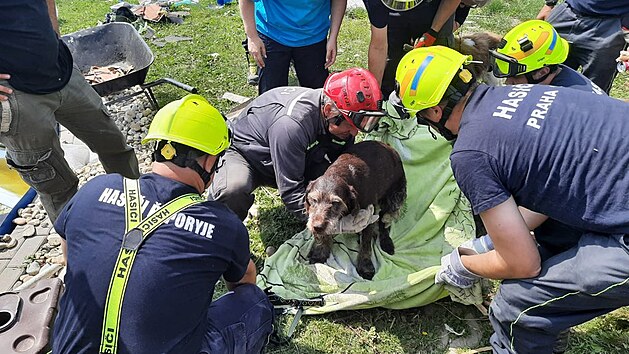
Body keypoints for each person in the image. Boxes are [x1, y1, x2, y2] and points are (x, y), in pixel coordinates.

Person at [394, 46, 629, 353]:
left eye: (421, 116)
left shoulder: (471, 153)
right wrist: (490, 244)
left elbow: (523, 264)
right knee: (554, 240)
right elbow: (552, 182)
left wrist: (466, 265)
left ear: (435, 112)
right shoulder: (532, 92)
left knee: (517, 305)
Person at [52, 94, 274, 353]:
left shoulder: (95, 189)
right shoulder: (221, 224)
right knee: (253, 301)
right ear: (210, 161)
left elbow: (70, 256)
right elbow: (243, 281)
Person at [0, 0, 140, 222]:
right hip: (16, 95)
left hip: (61, 70)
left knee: (114, 145)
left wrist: (53, 31)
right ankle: (81, 245)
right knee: (55, 184)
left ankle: (137, 209)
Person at [209, 68, 385, 221]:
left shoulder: (336, 112)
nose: (355, 134)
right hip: (246, 155)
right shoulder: (292, 124)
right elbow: (291, 192)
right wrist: (329, 224)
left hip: (288, 154)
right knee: (234, 190)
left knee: (333, 179)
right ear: (329, 111)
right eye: (350, 126)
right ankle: (217, 227)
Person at [240, 0, 346, 95]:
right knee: (271, 96)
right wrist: (252, 37)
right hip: (272, 33)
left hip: (313, 35)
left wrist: (333, 37)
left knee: (316, 96)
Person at [362, 0, 461, 95]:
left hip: (436, 8)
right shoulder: (376, 2)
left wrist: (433, 32)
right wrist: (374, 93)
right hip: (394, 14)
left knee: (437, 69)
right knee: (391, 69)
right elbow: (378, 46)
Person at [490, 19, 605, 95]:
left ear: (542, 72)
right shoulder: (559, 78)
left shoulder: (562, 100)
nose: (507, 82)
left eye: (514, 77)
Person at [537, 0, 629, 94]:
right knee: (536, 76)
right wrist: (549, 4)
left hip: (611, 25)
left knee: (593, 93)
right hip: (567, 11)